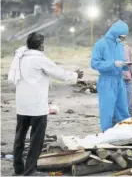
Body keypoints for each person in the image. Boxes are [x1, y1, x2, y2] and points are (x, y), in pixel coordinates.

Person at [8, 32, 83, 176]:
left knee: (20, 137)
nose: (44, 45)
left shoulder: (20, 57)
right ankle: (30, 171)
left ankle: (18, 169)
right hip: (37, 107)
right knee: (36, 140)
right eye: (42, 42)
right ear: (39, 44)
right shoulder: (39, 59)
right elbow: (59, 74)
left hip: (22, 106)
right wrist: (75, 75)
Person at [91, 20, 130, 132]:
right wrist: (113, 64)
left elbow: (119, 62)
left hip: (119, 80)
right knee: (107, 110)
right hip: (106, 81)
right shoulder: (100, 44)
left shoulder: (120, 46)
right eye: (121, 36)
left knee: (123, 109)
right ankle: (106, 134)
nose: (122, 39)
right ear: (115, 33)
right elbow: (94, 63)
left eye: (124, 37)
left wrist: (124, 66)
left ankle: (125, 133)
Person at [122, 44, 132, 116]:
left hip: (127, 80)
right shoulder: (109, 48)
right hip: (115, 81)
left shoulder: (127, 48)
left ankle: (130, 123)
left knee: (129, 106)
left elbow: (131, 65)